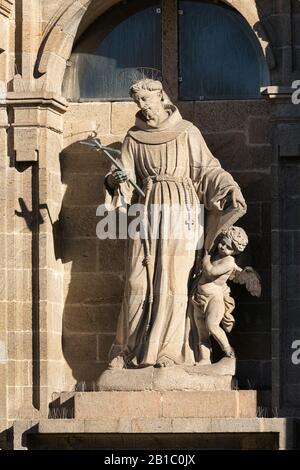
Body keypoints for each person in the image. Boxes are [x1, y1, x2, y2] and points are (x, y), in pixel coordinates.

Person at [104, 78, 246, 368]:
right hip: (145, 215)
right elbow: (121, 176)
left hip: (182, 211)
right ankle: (127, 350)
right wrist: (116, 180)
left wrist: (228, 186)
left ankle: (170, 352)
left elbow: (208, 171)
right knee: (137, 281)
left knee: (174, 280)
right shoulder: (133, 137)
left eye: (147, 100)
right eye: (138, 102)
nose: (143, 107)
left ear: (161, 98)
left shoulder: (187, 132)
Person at [192, 226, 248, 360]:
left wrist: (206, 259)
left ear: (234, 251)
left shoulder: (229, 261)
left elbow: (210, 272)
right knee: (202, 332)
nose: (223, 247)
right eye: (222, 243)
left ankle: (228, 350)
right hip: (199, 297)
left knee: (212, 325)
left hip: (214, 299)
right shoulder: (216, 254)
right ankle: (204, 359)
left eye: (228, 247)